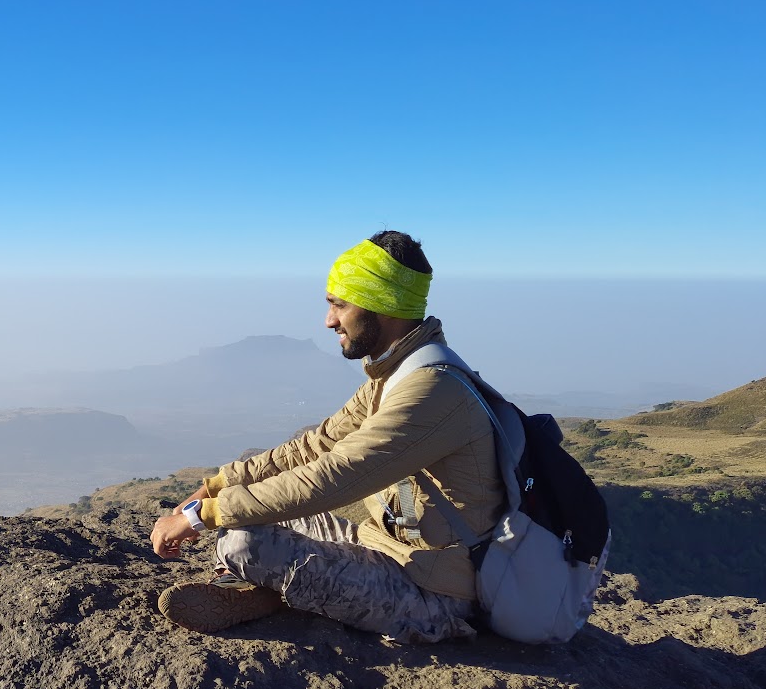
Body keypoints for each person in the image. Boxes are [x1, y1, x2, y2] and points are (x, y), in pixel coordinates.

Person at [149, 231, 504, 644]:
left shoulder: (431, 392)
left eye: (340, 304)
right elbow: (316, 445)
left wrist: (200, 516)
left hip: (434, 591)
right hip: (381, 545)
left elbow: (334, 475)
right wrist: (215, 486)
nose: (329, 320)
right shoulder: (394, 377)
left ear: (383, 307)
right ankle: (278, 594)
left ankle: (274, 595)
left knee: (242, 541)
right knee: (253, 514)